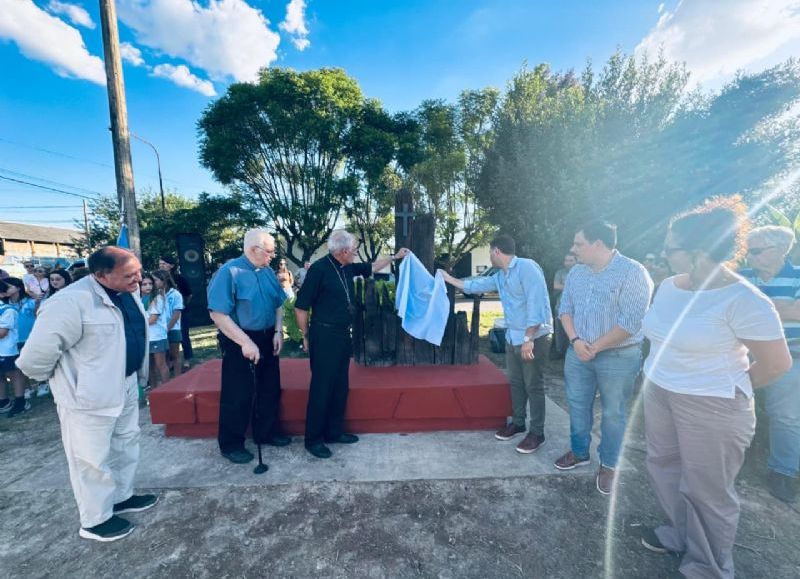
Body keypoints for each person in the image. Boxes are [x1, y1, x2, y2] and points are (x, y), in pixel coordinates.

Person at [639, 198, 790, 578]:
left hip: (713, 404)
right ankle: (679, 533)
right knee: (663, 466)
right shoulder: (670, 286)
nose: (664, 254)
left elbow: (777, 364)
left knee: (708, 490)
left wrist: (730, 386)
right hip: (659, 391)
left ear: (698, 252)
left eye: (671, 248)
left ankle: (707, 566)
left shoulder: (743, 299)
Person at [16, 246, 157, 542]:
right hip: (87, 397)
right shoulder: (70, 301)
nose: (138, 279)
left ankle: (121, 496)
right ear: (101, 275)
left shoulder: (127, 293)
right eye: (129, 275)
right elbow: (34, 359)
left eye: (139, 272)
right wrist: (70, 384)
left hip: (126, 384)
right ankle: (95, 520)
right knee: (90, 458)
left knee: (125, 443)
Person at [556, 220, 653, 495]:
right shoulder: (576, 272)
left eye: (578, 244)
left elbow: (631, 322)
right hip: (578, 352)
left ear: (598, 244)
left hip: (619, 356)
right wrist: (576, 341)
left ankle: (609, 464)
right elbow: (565, 310)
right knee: (576, 405)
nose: (573, 249)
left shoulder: (633, 272)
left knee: (613, 412)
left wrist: (594, 346)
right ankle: (579, 452)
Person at [294, 230, 409, 459]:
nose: (357, 253)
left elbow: (374, 267)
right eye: (355, 249)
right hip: (323, 335)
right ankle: (313, 439)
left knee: (340, 386)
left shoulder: (346, 266)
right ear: (344, 251)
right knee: (321, 388)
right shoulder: (318, 270)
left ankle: (334, 432)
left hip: (341, 335)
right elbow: (300, 307)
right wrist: (306, 336)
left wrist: (395, 257)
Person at [440, 234, 553, 454]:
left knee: (534, 385)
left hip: (533, 338)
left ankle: (537, 433)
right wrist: (448, 278)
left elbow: (536, 304)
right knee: (516, 383)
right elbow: (477, 285)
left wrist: (529, 338)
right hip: (513, 337)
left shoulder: (527, 268)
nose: (490, 256)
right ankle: (519, 423)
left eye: (490, 252)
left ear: (496, 251)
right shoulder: (501, 275)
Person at [206, 229, 289, 465]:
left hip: (266, 335)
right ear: (254, 249)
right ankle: (231, 443)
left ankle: (267, 431)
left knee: (269, 387)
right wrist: (245, 342)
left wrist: (277, 330)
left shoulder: (268, 272)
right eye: (270, 251)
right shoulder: (229, 272)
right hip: (239, 338)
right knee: (238, 392)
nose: (273, 255)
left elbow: (278, 304)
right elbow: (218, 314)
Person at [740, 225, 800, 503]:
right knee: (734, 406)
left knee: (786, 417)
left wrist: (756, 304)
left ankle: (783, 472)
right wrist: (783, 307)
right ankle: (732, 460)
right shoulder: (743, 277)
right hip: (742, 353)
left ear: (779, 251)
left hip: (790, 357)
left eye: (755, 250)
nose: (748, 256)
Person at [0, 279, 28, 417]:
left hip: (7, 350)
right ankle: (3, 401)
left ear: (2, 294)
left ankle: (20, 401)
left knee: (14, 373)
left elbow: (2, 333)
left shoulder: (7, 310)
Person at [159, 255, 193, 370]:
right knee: (167, 335)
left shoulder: (180, 278)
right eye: (160, 264)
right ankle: (170, 361)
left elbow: (189, 294)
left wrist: (183, 305)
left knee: (183, 335)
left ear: (171, 266)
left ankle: (187, 359)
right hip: (165, 313)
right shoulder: (158, 279)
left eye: (164, 263)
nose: (161, 265)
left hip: (181, 312)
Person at [148, 271, 172, 388]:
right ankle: (153, 391)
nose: (148, 286)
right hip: (145, 337)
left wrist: (136, 324)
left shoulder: (158, 298)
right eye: (144, 284)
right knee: (149, 367)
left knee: (160, 365)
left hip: (157, 336)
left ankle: (166, 390)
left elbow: (152, 319)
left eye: (151, 282)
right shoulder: (142, 298)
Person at [551, 253, 577, 359]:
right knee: (560, 331)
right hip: (560, 307)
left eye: (571, 260)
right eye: (566, 260)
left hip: (577, 309)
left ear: (576, 261)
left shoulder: (582, 272)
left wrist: (565, 285)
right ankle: (560, 352)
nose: (568, 263)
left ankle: (575, 351)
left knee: (575, 331)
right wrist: (573, 286)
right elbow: (556, 286)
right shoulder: (560, 272)